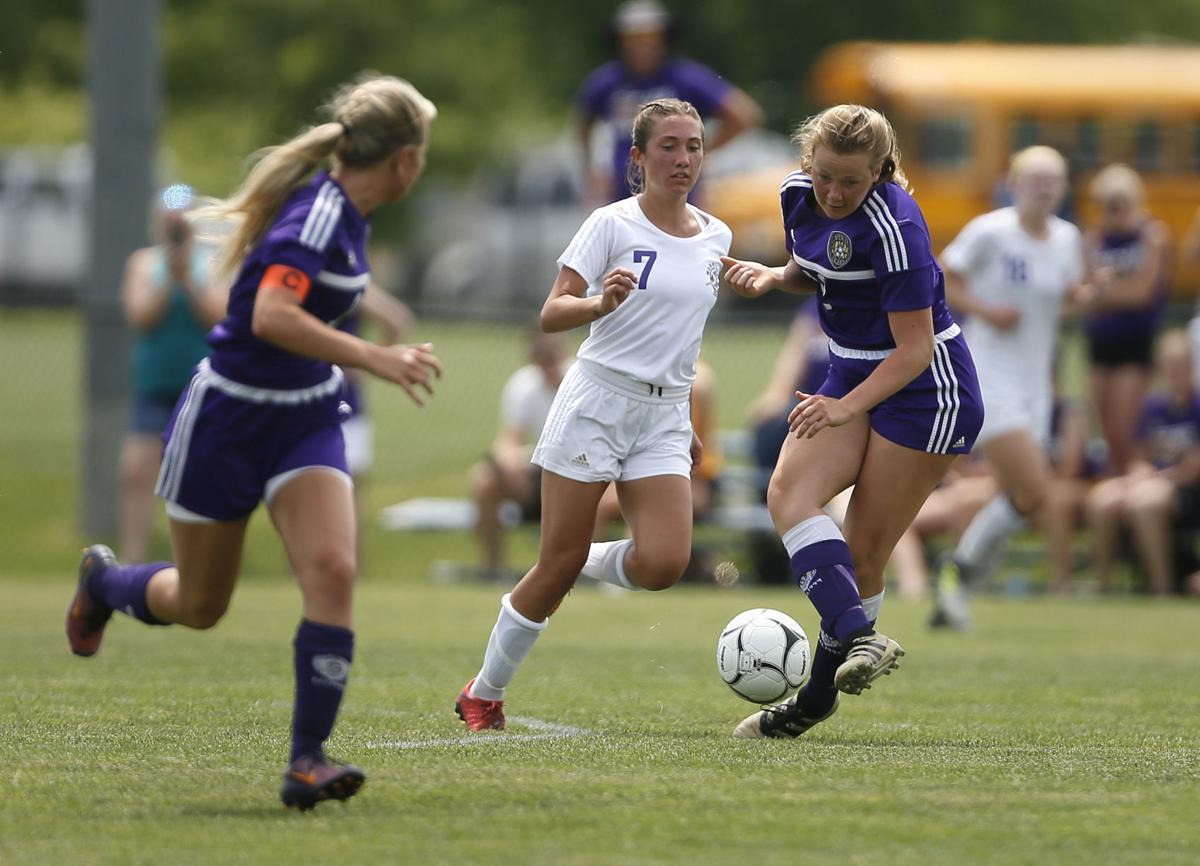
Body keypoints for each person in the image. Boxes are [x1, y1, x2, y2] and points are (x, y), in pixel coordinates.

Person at [65, 73, 441, 809]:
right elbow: (270, 315)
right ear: (402, 160)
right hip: (229, 419)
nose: (422, 165)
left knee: (333, 569)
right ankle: (105, 583)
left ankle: (307, 762)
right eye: (423, 150)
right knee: (201, 605)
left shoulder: (354, 215)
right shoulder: (317, 215)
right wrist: (375, 356)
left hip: (303, 415)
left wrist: (371, 330)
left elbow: (317, 299)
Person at [454, 98, 732, 731]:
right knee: (552, 569)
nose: (683, 158)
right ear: (638, 157)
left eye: (693, 145)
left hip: (664, 415)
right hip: (596, 402)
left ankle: (576, 553)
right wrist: (597, 304)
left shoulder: (718, 236)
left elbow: (683, 336)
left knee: (664, 564)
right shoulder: (611, 223)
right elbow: (552, 313)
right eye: (668, 146)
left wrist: (685, 416)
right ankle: (484, 692)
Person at [720, 104, 985, 740]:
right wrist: (774, 277)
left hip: (927, 390)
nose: (835, 194)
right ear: (807, 163)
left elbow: (916, 349)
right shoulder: (795, 195)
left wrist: (844, 406)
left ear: (880, 173)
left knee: (864, 551)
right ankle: (863, 640)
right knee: (789, 493)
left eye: (852, 182)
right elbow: (818, 271)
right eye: (825, 177)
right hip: (850, 372)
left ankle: (810, 704)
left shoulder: (897, 223)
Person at [928, 146, 1089, 629]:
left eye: (1054, 180)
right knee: (1036, 489)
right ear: (1014, 183)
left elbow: (1063, 302)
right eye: (1036, 178)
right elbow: (942, 277)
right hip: (989, 379)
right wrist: (985, 309)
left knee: (1025, 500)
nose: (1045, 187)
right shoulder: (991, 232)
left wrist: (1087, 297)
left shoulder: (1068, 239)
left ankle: (957, 582)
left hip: (1036, 384)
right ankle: (958, 575)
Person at [119, 185, 226, 562]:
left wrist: (188, 277)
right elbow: (141, 318)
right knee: (136, 472)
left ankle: (200, 560)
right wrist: (169, 277)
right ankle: (135, 560)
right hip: (155, 389)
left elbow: (217, 317)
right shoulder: (144, 264)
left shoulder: (211, 263)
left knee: (202, 474)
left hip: (202, 388)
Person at [576, 0, 762, 205]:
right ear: (621, 42)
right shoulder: (608, 82)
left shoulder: (685, 79)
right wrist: (591, 170)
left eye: (650, 37)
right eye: (634, 39)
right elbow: (583, 121)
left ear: (663, 39)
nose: (643, 46)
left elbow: (744, 114)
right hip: (624, 200)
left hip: (678, 202)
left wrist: (701, 151)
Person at [1086, 330, 1200, 595]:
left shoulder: (1196, 406)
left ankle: (1160, 587)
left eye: (1181, 367)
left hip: (1185, 488)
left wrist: (1158, 479)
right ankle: (1104, 587)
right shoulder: (1152, 406)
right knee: (1101, 499)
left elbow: (1194, 466)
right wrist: (1141, 473)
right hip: (1152, 481)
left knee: (1145, 503)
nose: (1175, 374)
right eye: (1169, 368)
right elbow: (1139, 457)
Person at [1084, 163, 1171, 475]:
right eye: (1108, 204)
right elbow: (1088, 293)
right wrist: (1109, 293)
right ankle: (1116, 490)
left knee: (1125, 426)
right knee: (1106, 428)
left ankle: (1132, 483)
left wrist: (1107, 293)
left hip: (1135, 340)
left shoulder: (1152, 235)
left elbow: (1144, 293)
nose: (1114, 211)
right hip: (1101, 340)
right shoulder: (1094, 238)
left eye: (1120, 203)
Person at [469, 328, 576, 581]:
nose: (548, 361)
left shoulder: (580, 379)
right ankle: (493, 569)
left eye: (551, 352)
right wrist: (507, 462)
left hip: (581, 467)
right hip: (540, 469)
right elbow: (509, 438)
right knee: (483, 481)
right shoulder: (523, 385)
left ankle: (584, 571)